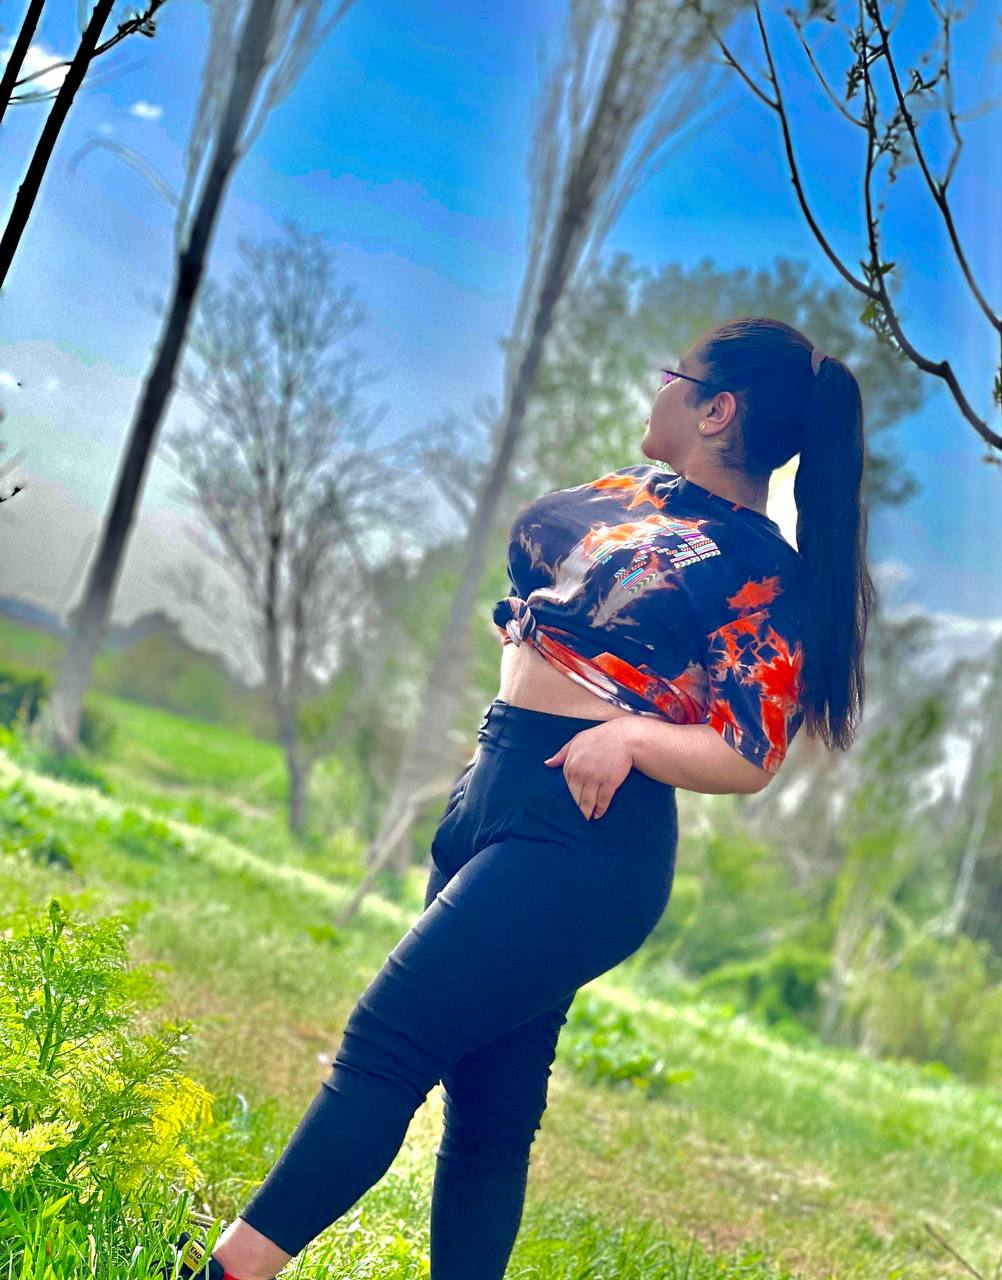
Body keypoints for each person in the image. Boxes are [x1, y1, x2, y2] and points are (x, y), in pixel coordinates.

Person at [165, 317, 873, 1280]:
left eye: (673, 376)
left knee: (384, 1044)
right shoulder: (632, 492)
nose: (656, 389)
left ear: (717, 411)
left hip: (587, 839)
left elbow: (750, 752)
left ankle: (224, 1273)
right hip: (495, 782)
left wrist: (630, 736)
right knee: (490, 1115)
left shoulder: (759, 569)